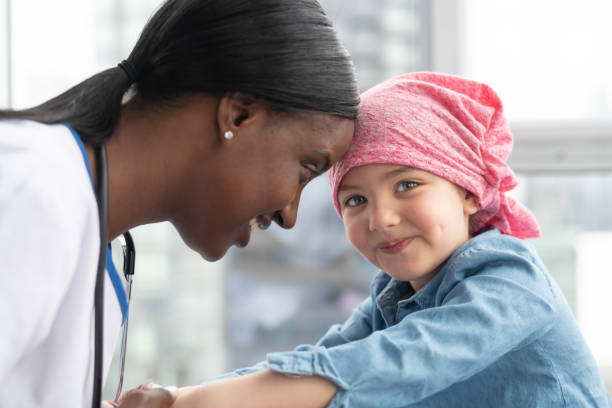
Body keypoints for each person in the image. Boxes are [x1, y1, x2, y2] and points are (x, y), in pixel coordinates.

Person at [139, 72, 611, 407]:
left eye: (407, 185)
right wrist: (180, 396)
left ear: (468, 191)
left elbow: (383, 367)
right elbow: (324, 361)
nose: (381, 218)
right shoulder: (395, 296)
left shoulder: (511, 284)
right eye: (355, 201)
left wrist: (185, 403)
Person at [0, 0, 360, 406]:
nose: (289, 215)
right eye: (304, 170)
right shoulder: (33, 189)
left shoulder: (80, 222)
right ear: (239, 116)